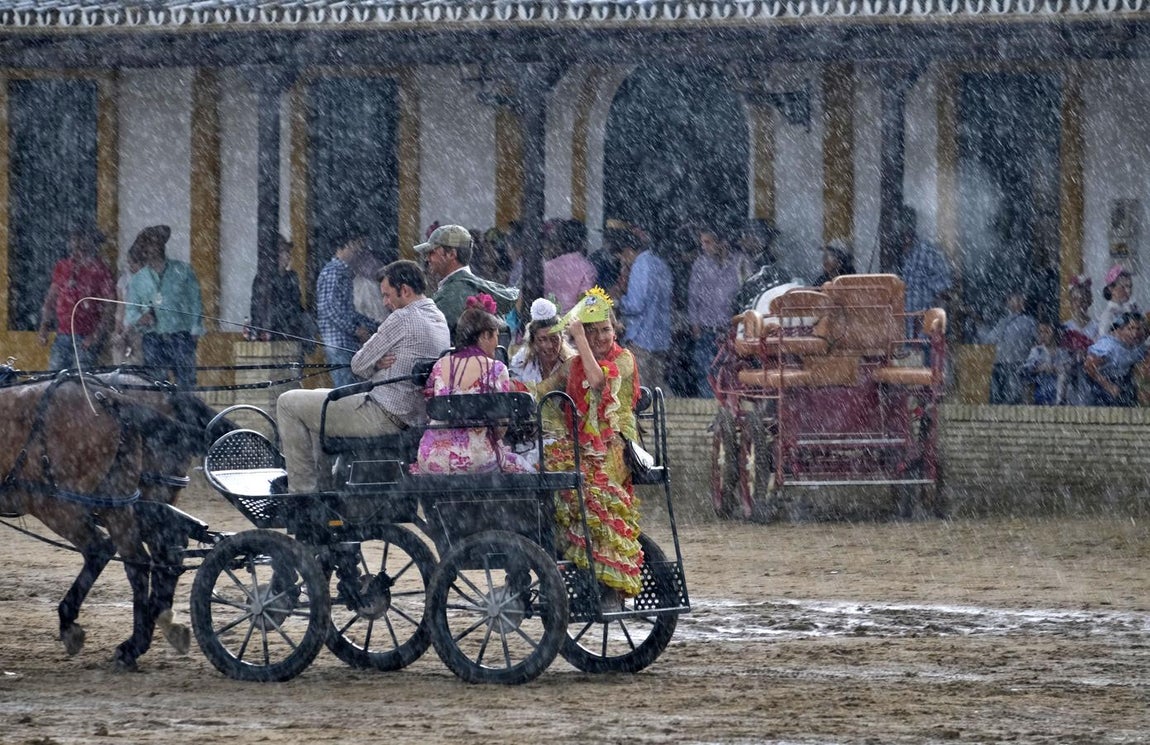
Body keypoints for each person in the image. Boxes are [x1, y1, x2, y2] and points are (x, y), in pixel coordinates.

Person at [276, 260, 450, 493]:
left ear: (405, 290)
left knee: (287, 402)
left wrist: (374, 363)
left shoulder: (402, 318)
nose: (385, 302)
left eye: (387, 295)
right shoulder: (437, 317)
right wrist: (377, 362)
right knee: (316, 399)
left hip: (382, 414)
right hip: (410, 416)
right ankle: (324, 490)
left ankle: (303, 493)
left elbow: (358, 364)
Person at [539, 288, 644, 602]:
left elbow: (598, 381)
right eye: (592, 331)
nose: (600, 337)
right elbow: (542, 389)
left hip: (616, 443)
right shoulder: (572, 365)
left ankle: (609, 585)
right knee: (548, 475)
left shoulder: (624, 359)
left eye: (605, 330)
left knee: (592, 489)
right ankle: (570, 558)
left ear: (615, 330)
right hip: (579, 444)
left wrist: (579, 339)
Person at [412, 294, 533, 475]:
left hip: (433, 459)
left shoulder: (440, 366)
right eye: (496, 336)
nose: (497, 343)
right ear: (485, 335)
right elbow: (500, 430)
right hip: (478, 460)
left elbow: (430, 411)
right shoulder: (497, 369)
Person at [123, 225, 205, 389]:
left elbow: (195, 301)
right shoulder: (138, 280)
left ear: (162, 244)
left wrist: (195, 330)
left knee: (186, 384)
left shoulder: (183, 271)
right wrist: (140, 318)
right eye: (147, 244)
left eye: (155, 242)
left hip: (180, 336)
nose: (151, 248)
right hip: (152, 338)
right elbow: (130, 312)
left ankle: (186, 405)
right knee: (156, 386)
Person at [415, 223, 519, 339]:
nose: (427, 258)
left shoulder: (453, 294)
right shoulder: (479, 287)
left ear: (451, 254)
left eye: (432, 252)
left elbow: (423, 337)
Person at [38, 224, 116, 371]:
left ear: (91, 244)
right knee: (55, 377)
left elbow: (110, 305)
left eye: (81, 241)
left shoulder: (100, 270)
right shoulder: (62, 267)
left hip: (86, 337)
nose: (77, 246)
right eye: (74, 240)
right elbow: (50, 299)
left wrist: (96, 335)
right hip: (63, 334)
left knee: (81, 379)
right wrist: (44, 326)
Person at [689, 227, 751, 398]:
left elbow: (749, 294)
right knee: (706, 372)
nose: (704, 247)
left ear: (722, 243)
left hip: (731, 332)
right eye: (702, 243)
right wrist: (694, 324)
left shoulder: (741, 263)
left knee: (731, 374)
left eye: (708, 242)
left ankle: (727, 409)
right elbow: (693, 297)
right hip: (706, 330)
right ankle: (708, 410)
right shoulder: (700, 264)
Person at [317, 232, 378, 388]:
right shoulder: (333, 271)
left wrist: (372, 325)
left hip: (345, 343)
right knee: (346, 390)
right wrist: (355, 330)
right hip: (338, 343)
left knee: (350, 389)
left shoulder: (342, 271)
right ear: (347, 245)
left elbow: (347, 312)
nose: (358, 251)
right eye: (357, 246)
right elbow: (329, 309)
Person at [617, 223, 673, 392]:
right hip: (660, 338)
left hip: (641, 337)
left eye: (622, 256)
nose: (623, 261)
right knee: (657, 391)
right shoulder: (661, 264)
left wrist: (618, 302)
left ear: (628, 251)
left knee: (640, 392)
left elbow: (636, 305)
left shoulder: (640, 265)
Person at [249, 236, 314, 351]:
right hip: (273, 333)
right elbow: (257, 309)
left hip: (291, 331)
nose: (288, 256)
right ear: (276, 255)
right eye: (285, 252)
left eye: (289, 252)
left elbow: (296, 304)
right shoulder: (263, 279)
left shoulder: (292, 276)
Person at [898, 205, 953, 337]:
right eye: (901, 227)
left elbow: (945, 288)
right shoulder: (894, 256)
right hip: (902, 335)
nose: (904, 232)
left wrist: (927, 316)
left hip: (925, 334)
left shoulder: (927, 252)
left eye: (907, 227)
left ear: (913, 227)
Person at [979, 292, 1037, 405]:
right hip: (999, 364)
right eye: (1011, 299)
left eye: (1017, 298)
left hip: (1017, 364)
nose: (1011, 301)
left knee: (1012, 400)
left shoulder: (1030, 321)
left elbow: (1036, 341)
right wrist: (980, 324)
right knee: (997, 400)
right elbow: (988, 339)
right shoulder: (1002, 321)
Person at [1084, 312, 1148, 407]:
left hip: (1123, 382)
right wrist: (1109, 386)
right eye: (1130, 328)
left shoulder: (1137, 346)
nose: (1135, 333)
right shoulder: (1107, 345)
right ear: (1119, 330)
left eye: (1138, 329)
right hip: (1100, 384)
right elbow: (1089, 366)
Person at [509, 298, 576, 386]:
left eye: (554, 339)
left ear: (562, 339)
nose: (549, 346)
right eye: (542, 339)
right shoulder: (521, 364)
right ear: (533, 342)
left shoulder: (571, 364)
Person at [543, 219, 597, 313]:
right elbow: (585, 303)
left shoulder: (547, 267)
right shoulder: (587, 268)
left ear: (559, 241)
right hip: (572, 320)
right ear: (583, 242)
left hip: (547, 318)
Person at [1061, 274, 1099, 406]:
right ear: (1071, 302)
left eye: (1083, 299)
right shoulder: (1065, 328)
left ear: (1089, 301)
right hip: (1070, 377)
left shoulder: (1096, 327)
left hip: (1090, 375)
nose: (1079, 304)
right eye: (1075, 299)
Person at [1021, 321, 1070, 405]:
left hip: (1058, 396)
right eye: (1040, 332)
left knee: (1064, 375)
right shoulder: (1037, 351)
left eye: (1047, 332)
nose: (1043, 335)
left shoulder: (1063, 352)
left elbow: (1069, 368)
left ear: (1055, 334)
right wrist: (1041, 367)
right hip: (1040, 396)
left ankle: (1060, 402)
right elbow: (1025, 370)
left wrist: (1062, 368)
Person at [1095, 265, 1137, 347]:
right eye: (1124, 287)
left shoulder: (1131, 309)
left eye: (1130, 286)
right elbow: (1103, 340)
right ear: (1111, 289)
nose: (1128, 291)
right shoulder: (1108, 314)